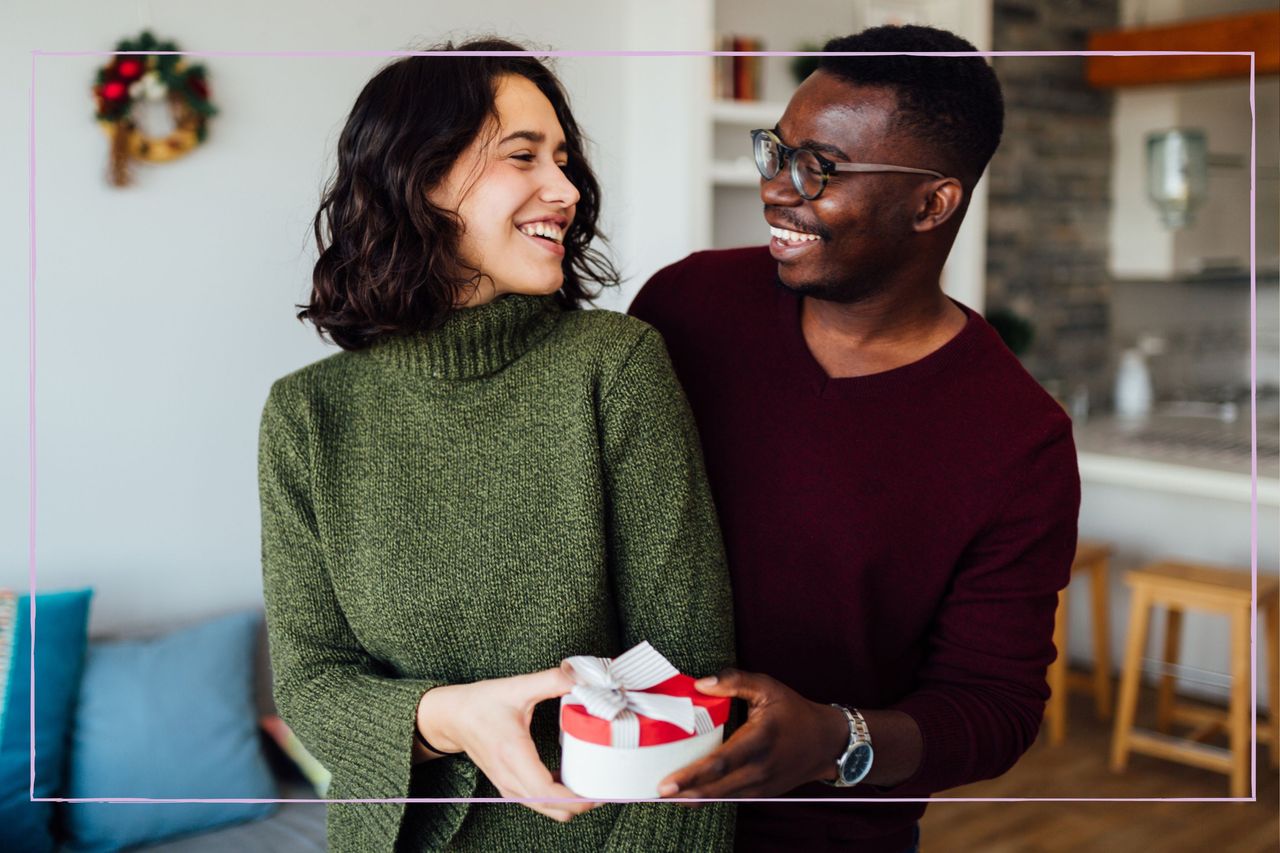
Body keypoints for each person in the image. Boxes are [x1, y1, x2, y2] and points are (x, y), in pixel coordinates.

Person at [257, 40, 735, 852]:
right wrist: (451, 715)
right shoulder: (306, 416)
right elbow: (311, 684)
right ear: (421, 179)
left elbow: (687, 690)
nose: (568, 190)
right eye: (524, 157)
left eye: (565, 159)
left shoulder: (613, 369)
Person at [629, 25, 1080, 853]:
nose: (775, 189)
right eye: (777, 152)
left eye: (819, 169)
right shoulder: (686, 305)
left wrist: (834, 739)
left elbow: (995, 706)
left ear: (932, 203)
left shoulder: (1019, 439)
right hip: (616, 801)